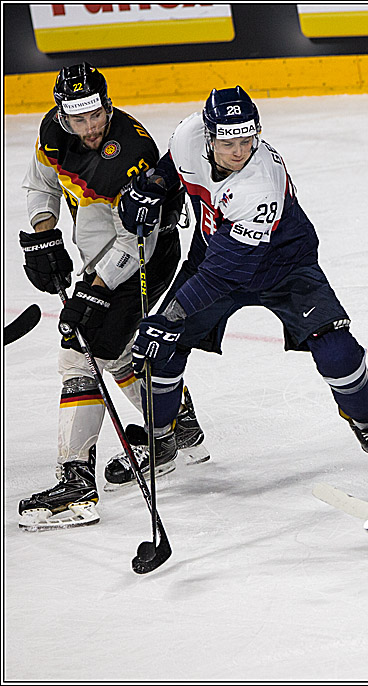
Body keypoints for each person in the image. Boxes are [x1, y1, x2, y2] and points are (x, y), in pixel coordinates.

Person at [119, 86, 368, 478]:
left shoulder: (261, 186)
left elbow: (223, 274)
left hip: (283, 266)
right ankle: (160, 442)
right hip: (213, 255)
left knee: (337, 349)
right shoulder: (189, 134)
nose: (239, 150)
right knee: (162, 354)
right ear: (208, 135)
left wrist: (169, 318)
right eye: (228, 141)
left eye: (247, 138)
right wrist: (154, 186)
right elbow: (174, 166)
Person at [17, 63, 208, 531]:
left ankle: (76, 482)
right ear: (63, 114)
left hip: (144, 256)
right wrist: (45, 235)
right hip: (98, 252)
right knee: (117, 351)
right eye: (77, 118)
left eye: (96, 115)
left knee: (80, 354)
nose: (89, 127)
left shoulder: (132, 153)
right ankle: (176, 425)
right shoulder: (52, 131)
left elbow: (132, 242)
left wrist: (95, 292)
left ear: (108, 104)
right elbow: (42, 185)